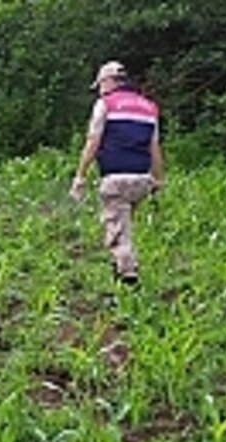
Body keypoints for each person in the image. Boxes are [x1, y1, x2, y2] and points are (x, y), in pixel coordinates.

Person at [70, 61, 164, 286]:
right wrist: (158, 180)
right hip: (141, 179)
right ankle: (121, 270)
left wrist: (80, 175)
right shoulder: (149, 107)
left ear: (109, 81)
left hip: (115, 178)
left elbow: (93, 141)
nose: (100, 89)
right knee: (123, 225)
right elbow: (155, 148)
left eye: (100, 84)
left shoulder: (106, 104)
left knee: (118, 237)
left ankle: (127, 283)